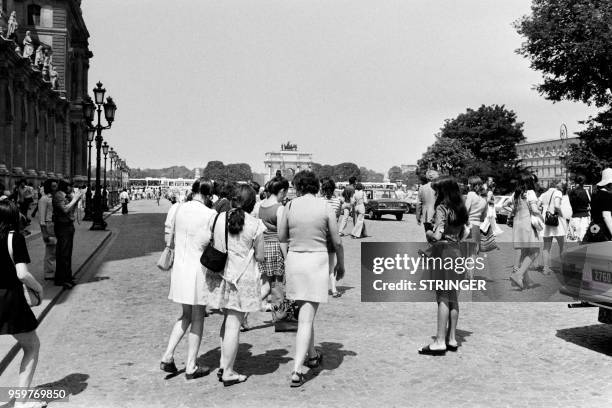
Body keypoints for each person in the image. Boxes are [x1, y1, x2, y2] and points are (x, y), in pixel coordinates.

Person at [278, 170, 345, 387]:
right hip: (316, 260)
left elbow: (282, 237)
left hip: (295, 259)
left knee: (305, 314)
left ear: (297, 186)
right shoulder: (325, 206)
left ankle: (313, 354)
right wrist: (341, 264)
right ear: (316, 186)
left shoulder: (288, 206)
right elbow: (337, 240)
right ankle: (297, 369)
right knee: (306, 318)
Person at [206, 185, 266, 386]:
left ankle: (224, 363)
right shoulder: (255, 224)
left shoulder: (218, 218)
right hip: (242, 278)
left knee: (226, 323)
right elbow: (260, 255)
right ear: (252, 203)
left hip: (221, 274)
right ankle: (228, 371)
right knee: (233, 325)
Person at [161, 179, 216, 380]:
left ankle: (168, 355)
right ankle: (191, 365)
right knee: (198, 317)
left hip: (180, 268)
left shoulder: (179, 209)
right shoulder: (210, 214)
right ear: (209, 195)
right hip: (198, 270)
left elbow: (171, 238)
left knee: (184, 315)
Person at [0, 200, 46, 408]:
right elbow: (22, 274)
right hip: (9, 299)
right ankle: (21, 401)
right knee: (31, 346)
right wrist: (38, 288)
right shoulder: (14, 238)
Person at [417, 177, 468, 356]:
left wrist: (429, 231)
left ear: (444, 191)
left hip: (443, 253)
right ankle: (452, 338)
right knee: (453, 297)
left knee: (442, 297)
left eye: (437, 190)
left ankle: (439, 341)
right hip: (457, 252)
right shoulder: (460, 208)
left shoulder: (442, 208)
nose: (436, 194)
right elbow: (463, 232)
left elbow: (437, 236)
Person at [257, 176, 289, 313]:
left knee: (265, 281)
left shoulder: (262, 204)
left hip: (263, 245)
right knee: (276, 283)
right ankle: (279, 313)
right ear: (281, 191)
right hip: (275, 246)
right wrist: (287, 257)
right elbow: (282, 237)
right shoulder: (279, 208)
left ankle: (276, 311)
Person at [508, 173, 543, 290]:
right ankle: (518, 275)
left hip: (517, 225)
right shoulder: (530, 193)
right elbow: (534, 209)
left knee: (524, 253)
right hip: (527, 225)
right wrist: (541, 213)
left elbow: (507, 206)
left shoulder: (515, 194)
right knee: (535, 251)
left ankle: (528, 281)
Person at [52, 181, 84, 289]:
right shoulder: (58, 196)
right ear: (66, 186)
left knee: (68, 252)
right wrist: (74, 199)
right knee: (63, 253)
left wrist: (77, 200)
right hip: (62, 226)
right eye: (71, 186)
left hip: (68, 225)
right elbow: (65, 209)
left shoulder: (66, 195)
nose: (72, 188)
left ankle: (68, 276)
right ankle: (61, 279)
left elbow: (72, 210)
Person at [321, 177, 343, 297]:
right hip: (332, 235)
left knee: (319, 263)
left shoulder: (319, 201)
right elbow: (337, 217)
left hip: (319, 234)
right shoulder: (338, 201)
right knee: (331, 263)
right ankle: (334, 289)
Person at [539, 181, 567, 275]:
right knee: (562, 246)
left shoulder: (543, 194)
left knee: (546, 247)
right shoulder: (558, 192)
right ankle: (563, 269)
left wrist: (544, 213)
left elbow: (537, 206)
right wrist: (563, 216)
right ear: (556, 186)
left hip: (546, 222)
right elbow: (557, 206)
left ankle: (545, 269)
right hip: (557, 222)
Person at [583, 168, 612, 243]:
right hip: (604, 231)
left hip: (594, 229)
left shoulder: (595, 194)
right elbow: (606, 216)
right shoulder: (607, 196)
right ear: (609, 184)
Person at [38, 179, 58, 281]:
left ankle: (54, 270)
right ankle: (48, 273)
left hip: (56, 225)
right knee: (50, 250)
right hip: (49, 225)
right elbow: (41, 218)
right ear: (49, 187)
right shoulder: (44, 199)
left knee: (56, 250)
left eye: (56, 186)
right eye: (53, 186)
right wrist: (44, 233)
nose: (56, 188)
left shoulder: (55, 198)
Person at [464, 176, 488, 256]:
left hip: (468, 226)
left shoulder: (471, 194)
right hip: (477, 227)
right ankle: (471, 269)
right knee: (473, 253)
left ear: (473, 185)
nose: (468, 185)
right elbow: (483, 217)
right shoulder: (484, 199)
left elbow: (465, 211)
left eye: (469, 184)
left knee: (464, 254)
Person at [568, 175, 591, 242]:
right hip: (585, 218)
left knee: (574, 241)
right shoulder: (587, 192)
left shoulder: (570, 192)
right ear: (584, 182)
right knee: (584, 239)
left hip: (574, 217)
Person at [416, 170, 439, 235]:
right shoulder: (439, 187)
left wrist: (418, 217)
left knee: (428, 234)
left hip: (426, 215)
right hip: (438, 214)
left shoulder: (422, 188)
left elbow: (419, 203)